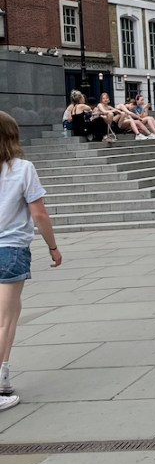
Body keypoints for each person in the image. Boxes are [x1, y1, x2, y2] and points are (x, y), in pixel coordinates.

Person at [0, 111, 62, 411]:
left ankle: (5, 377)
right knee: (5, 319)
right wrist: (52, 247)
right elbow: (39, 213)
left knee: (12, 309)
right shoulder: (22, 168)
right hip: (9, 247)